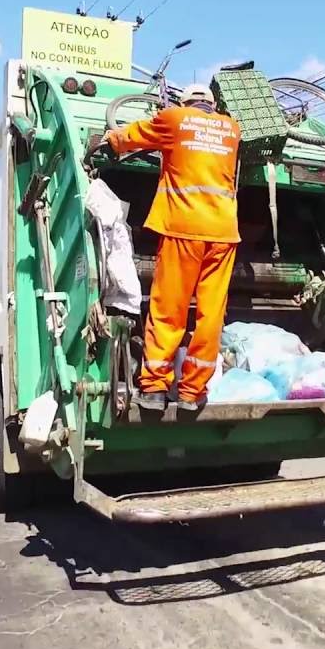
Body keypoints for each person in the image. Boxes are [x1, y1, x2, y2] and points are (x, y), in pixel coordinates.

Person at [103, 84, 242, 412]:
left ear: (185, 103)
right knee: (211, 315)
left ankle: (153, 388)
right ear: (211, 104)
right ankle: (193, 391)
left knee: (170, 309)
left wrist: (110, 141)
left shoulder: (174, 118)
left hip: (183, 227)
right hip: (223, 232)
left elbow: (132, 136)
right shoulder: (232, 128)